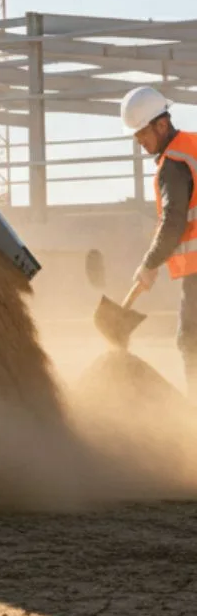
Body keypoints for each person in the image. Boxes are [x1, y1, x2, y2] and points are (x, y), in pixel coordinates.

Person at [121, 86, 197, 396]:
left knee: (190, 339)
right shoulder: (192, 146)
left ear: (161, 125)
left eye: (144, 137)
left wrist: (149, 263)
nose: (142, 146)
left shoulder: (173, 164)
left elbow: (173, 222)